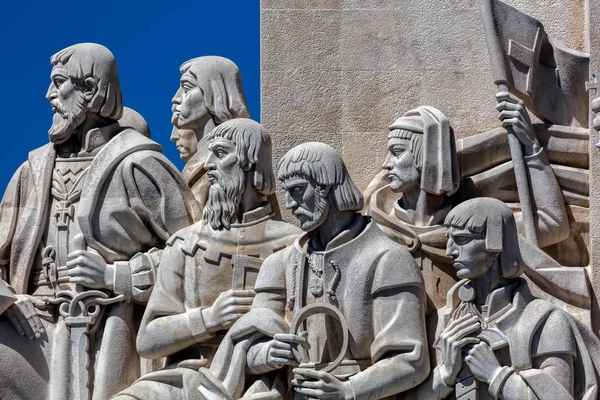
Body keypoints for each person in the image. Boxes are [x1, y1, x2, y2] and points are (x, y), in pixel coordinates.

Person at [0, 43, 200, 400]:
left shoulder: (138, 165)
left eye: (58, 83)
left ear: (90, 90)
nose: (48, 95)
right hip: (34, 329)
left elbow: (193, 254)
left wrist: (115, 276)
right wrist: (12, 300)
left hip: (111, 332)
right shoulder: (30, 174)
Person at [194, 142, 429, 400]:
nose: (289, 205)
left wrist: (348, 390)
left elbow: (410, 361)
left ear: (325, 185)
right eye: (285, 192)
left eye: (296, 190)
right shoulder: (279, 264)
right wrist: (269, 354)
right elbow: (249, 348)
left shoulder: (388, 260)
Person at [113, 118, 301, 400]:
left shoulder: (292, 244)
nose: (209, 164)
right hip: (188, 380)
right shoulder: (186, 243)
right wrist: (209, 319)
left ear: (250, 162)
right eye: (209, 154)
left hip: (263, 379)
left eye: (221, 153)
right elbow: (149, 340)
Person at [366, 94, 570, 311]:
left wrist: (530, 146)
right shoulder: (377, 229)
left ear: (426, 155)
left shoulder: (476, 226)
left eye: (397, 152)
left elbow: (553, 224)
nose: (386, 164)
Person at [414, 197, 600, 399]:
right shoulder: (447, 320)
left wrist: (496, 375)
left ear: (495, 245)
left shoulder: (546, 321)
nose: (450, 251)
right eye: (448, 241)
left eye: (461, 240)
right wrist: (446, 375)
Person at [171, 56, 249, 210]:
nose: (176, 98)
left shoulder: (235, 155)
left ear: (215, 91)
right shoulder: (202, 156)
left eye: (187, 88)